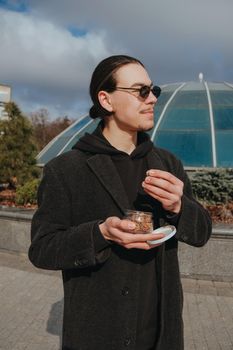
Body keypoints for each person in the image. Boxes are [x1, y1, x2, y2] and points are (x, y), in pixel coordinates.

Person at [28, 55, 212, 350]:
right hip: (97, 335)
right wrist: (100, 233)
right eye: (141, 91)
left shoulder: (168, 163)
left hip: (161, 336)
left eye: (154, 90)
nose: (152, 99)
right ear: (107, 100)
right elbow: (42, 249)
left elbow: (202, 232)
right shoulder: (66, 169)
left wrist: (180, 208)